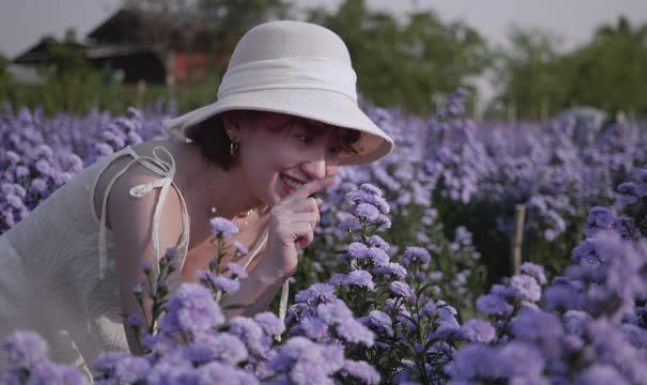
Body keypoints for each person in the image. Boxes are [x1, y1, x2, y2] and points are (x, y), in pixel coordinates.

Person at [0, 20, 394, 379]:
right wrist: (265, 273)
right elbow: (161, 352)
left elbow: (217, 349)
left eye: (334, 150)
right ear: (235, 121)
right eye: (303, 139)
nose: (320, 169)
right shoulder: (151, 189)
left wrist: (274, 268)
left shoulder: (271, 205)